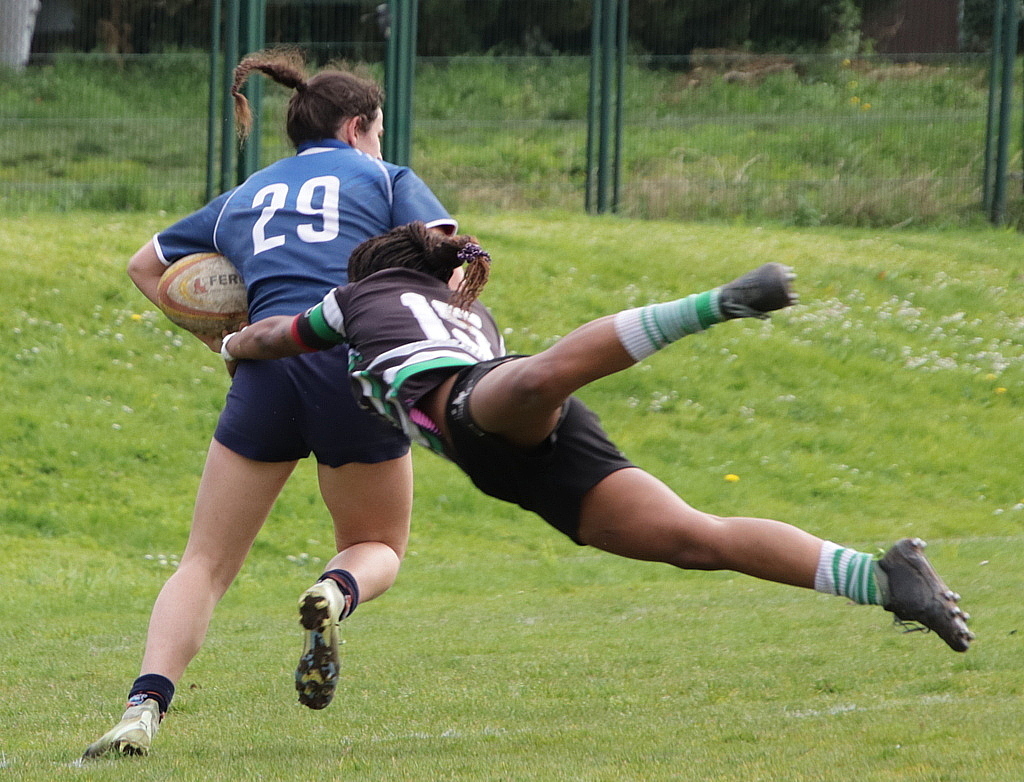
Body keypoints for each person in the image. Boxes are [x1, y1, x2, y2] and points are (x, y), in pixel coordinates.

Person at [217, 221, 974, 711]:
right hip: (520, 458)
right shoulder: (472, 311)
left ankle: (719, 303)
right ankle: (882, 582)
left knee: (540, 379)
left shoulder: (355, 296)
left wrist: (232, 343)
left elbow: (280, 337)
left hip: (474, 405)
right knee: (694, 538)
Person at [83, 51, 456, 759]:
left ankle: (142, 708)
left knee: (204, 562)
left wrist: (223, 340)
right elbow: (451, 251)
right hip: (353, 368)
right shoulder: (383, 177)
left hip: (264, 370)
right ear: (356, 128)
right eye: (377, 131)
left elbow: (144, 265)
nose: (380, 144)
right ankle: (333, 592)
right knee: (379, 544)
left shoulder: (245, 194)